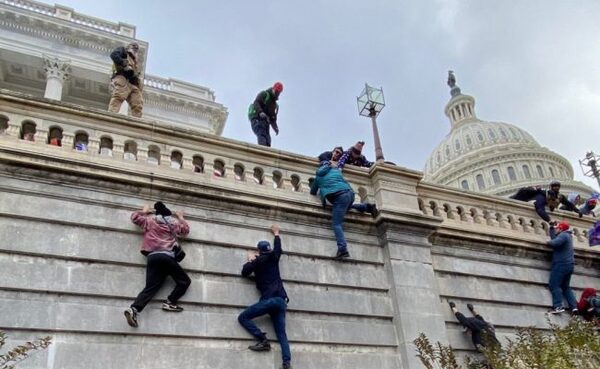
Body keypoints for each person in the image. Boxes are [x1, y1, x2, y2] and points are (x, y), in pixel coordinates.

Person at [124, 202, 191, 327]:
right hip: (166, 257)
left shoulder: (149, 221)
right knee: (184, 281)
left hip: (152, 257)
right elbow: (186, 230)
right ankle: (170, 301)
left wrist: (144, 211)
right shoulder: (173, 224)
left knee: (151, 287)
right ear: (169, 214)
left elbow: (134, 217)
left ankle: (134, 309)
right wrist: (180, 217)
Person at [238, 224, 291, 369]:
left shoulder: (258, 261)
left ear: (259, 251)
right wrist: (276, 233)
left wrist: (250, 259)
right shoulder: (274, 257)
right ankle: (287, 362)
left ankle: (263, 340)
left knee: (242, 317)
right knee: (282, 334)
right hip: (281, 301)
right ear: (268, 249)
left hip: (269, 300)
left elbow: (244, 272)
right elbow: (278, 248)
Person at [310, 160, 378, 259]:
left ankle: (342, 249)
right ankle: (368, 207)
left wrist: (316, 186)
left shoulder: (318, 176)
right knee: (346, 207)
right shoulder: (336, 171)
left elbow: (312, 192)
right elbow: (344, 182)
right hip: (349, 193)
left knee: (336, 224)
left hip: (339, 197)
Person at [546, 220, 578, 314]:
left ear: (561, 229)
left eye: (557, 228)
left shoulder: (564, 235)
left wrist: (548, 242)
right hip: (569, 265)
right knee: (566, 286)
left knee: (554, 285)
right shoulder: (567, 235)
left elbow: (555, 242)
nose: (556, 229)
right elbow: (555, 238)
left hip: (561, 264)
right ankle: (574, 307)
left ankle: (558, 306)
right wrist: (551, 228)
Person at [509, 181, 581, 222]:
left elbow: (569, 204)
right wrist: (549, 220)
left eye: (557, 186)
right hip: (526, 202)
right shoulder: (543, 195)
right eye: (554, 186)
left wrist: (577, 211)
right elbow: (539, 209)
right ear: (551, 187)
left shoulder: (560, 196)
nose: (556, 187)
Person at [108, 42, 143, 118]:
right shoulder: (123, 51)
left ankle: (137, 123)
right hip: (123, 78)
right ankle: (110, 116)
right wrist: (123, 63)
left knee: (137, 103)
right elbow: (113, 55)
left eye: (137, 48)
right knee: (118, 97)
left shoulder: (135, 62)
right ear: (128, 47)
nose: (135, 48)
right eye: (133, 46)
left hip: (133, 83)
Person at [247, 82, 283, 147]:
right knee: (261, 134)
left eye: (278, 92)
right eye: (276, 91)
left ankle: (267, 151)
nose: (277, 93)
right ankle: (262, 150)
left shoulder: (274, 105)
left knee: (268, 139)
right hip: (257, 119)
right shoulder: (264, 94)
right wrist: (260, 112)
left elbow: (273, 118)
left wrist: (275, 127)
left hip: (265, 122)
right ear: (273, 89)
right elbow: (256, 102)